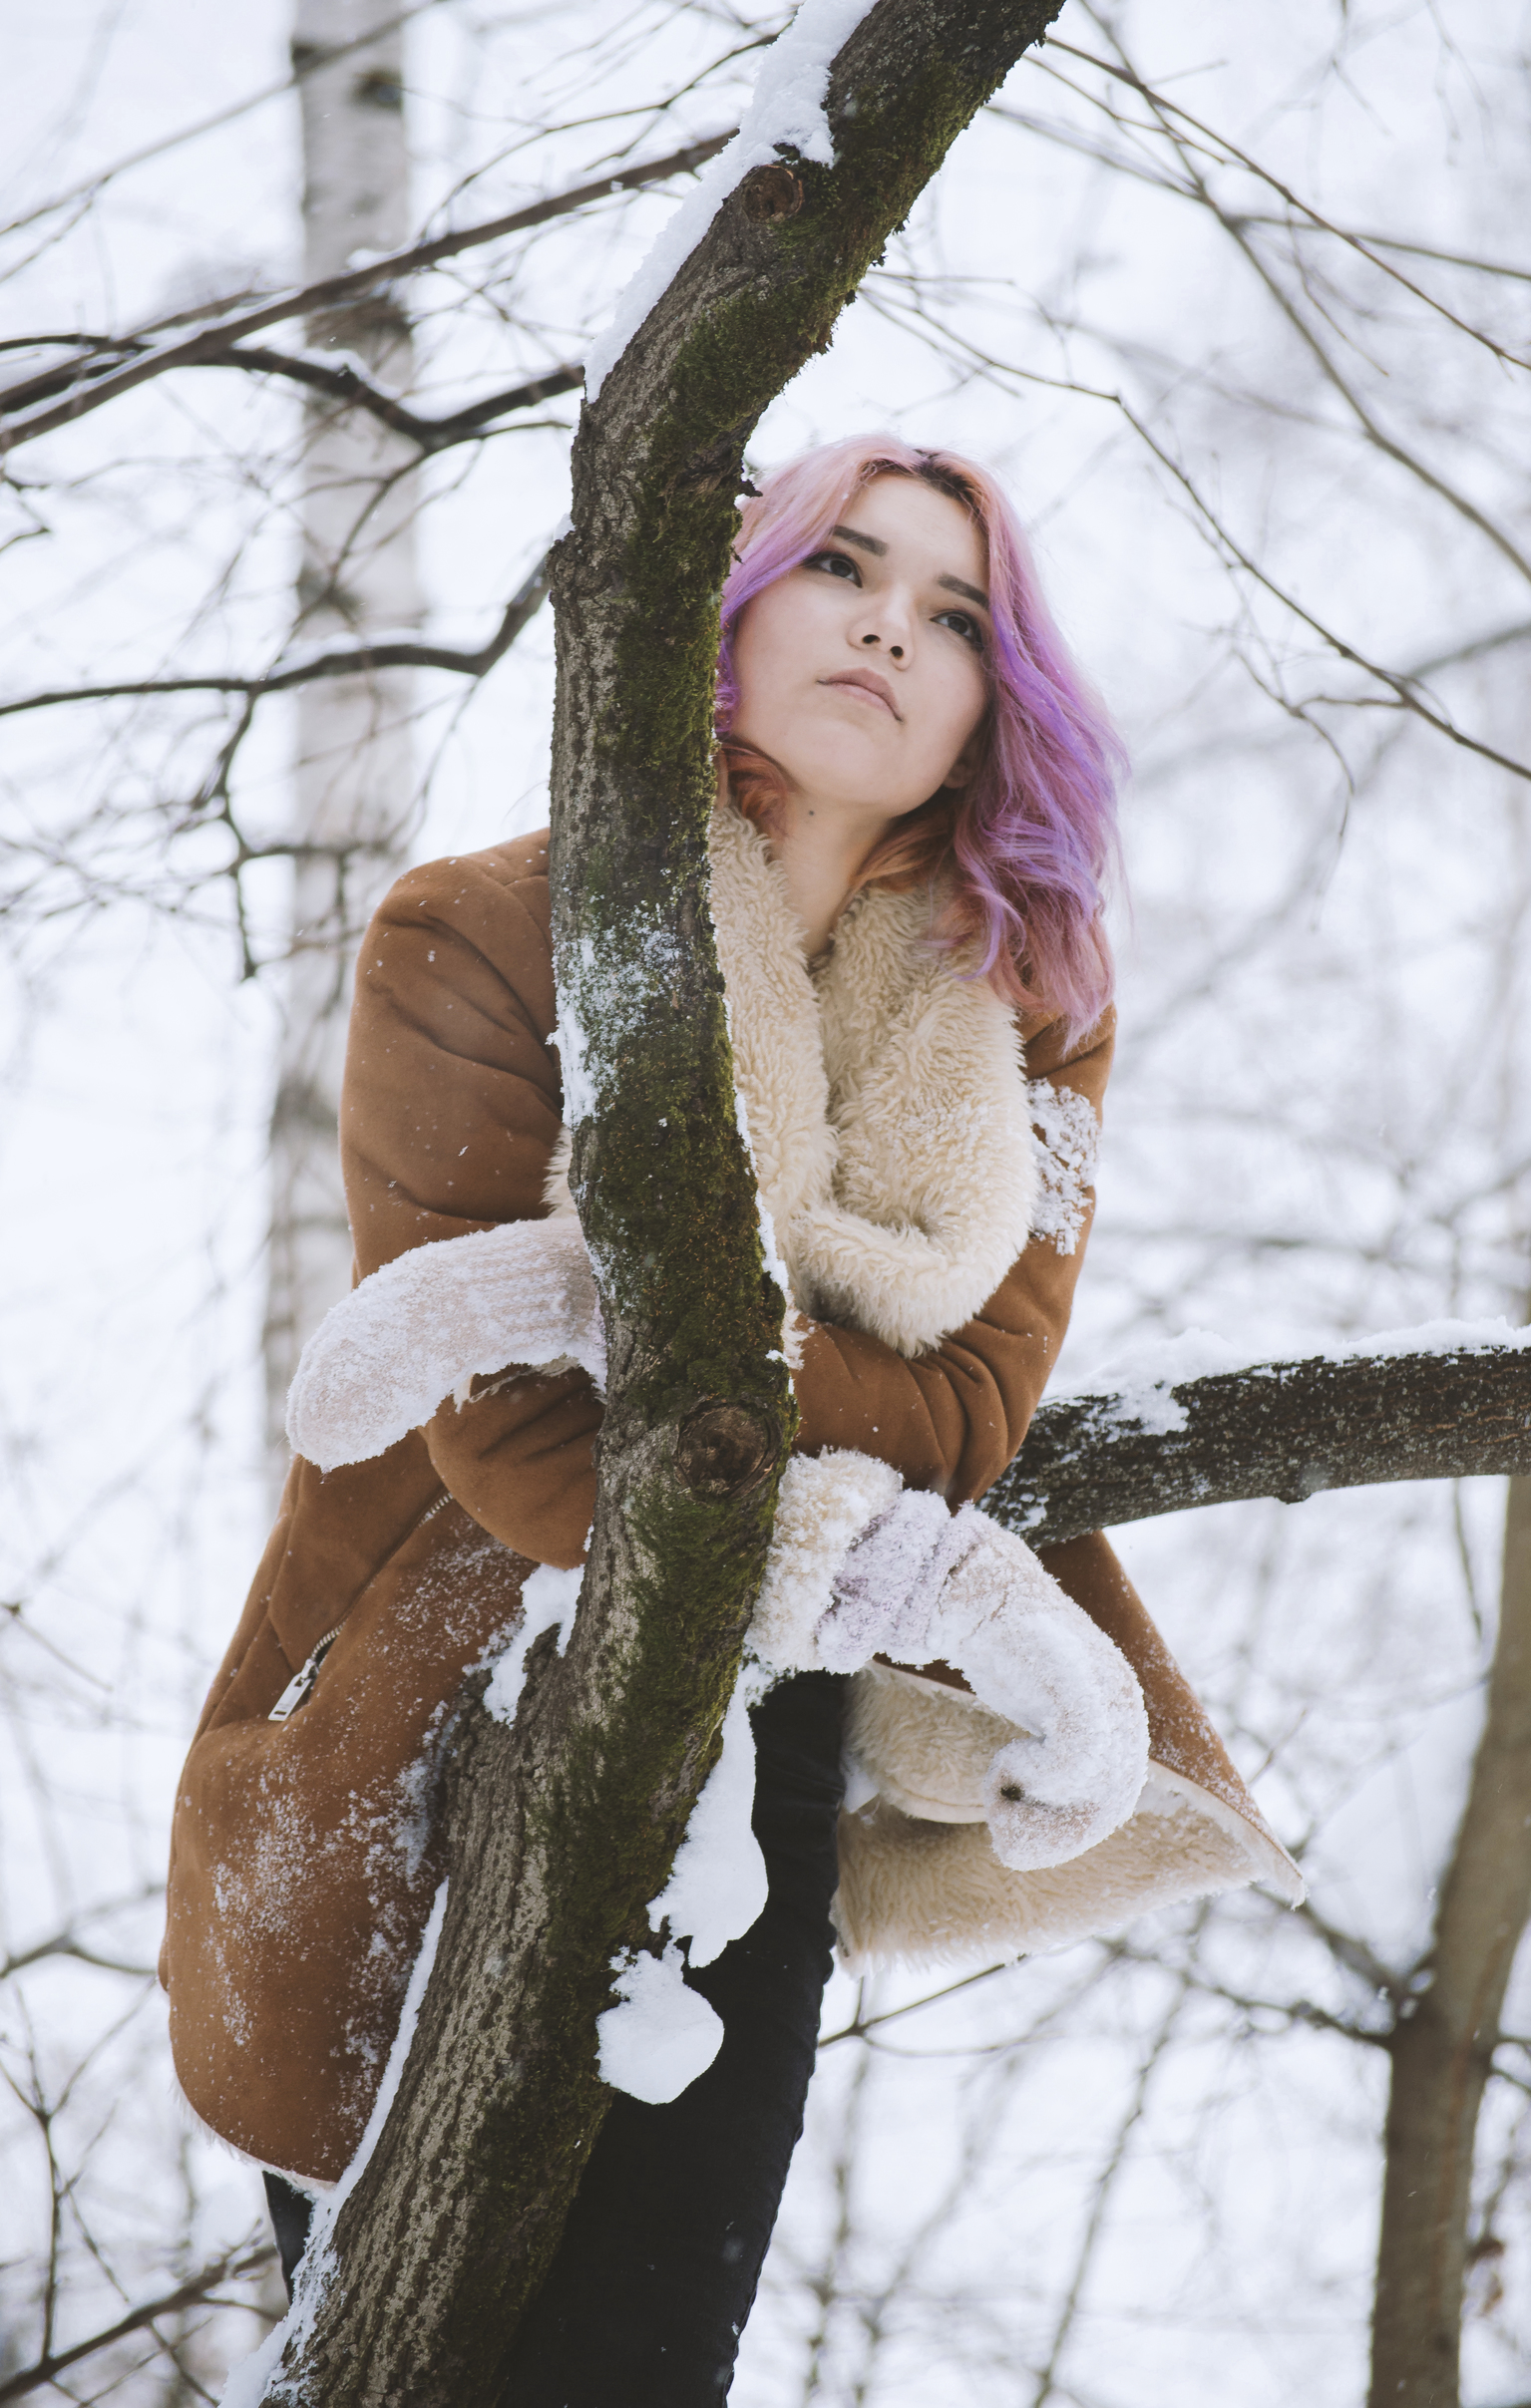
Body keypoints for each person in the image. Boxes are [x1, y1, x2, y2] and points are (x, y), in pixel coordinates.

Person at [161, 437, 1299, 2403]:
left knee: (634, 2361)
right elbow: (521, 1448)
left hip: (768, 1722)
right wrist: (819, 1467)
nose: (889, 621)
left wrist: (649, 1324)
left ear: (987, 707)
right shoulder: (484, 936)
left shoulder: (1032, 1007)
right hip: (439, 1714)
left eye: (955, 611)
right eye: (839, 566)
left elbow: (964, 1414)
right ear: (720, 612)